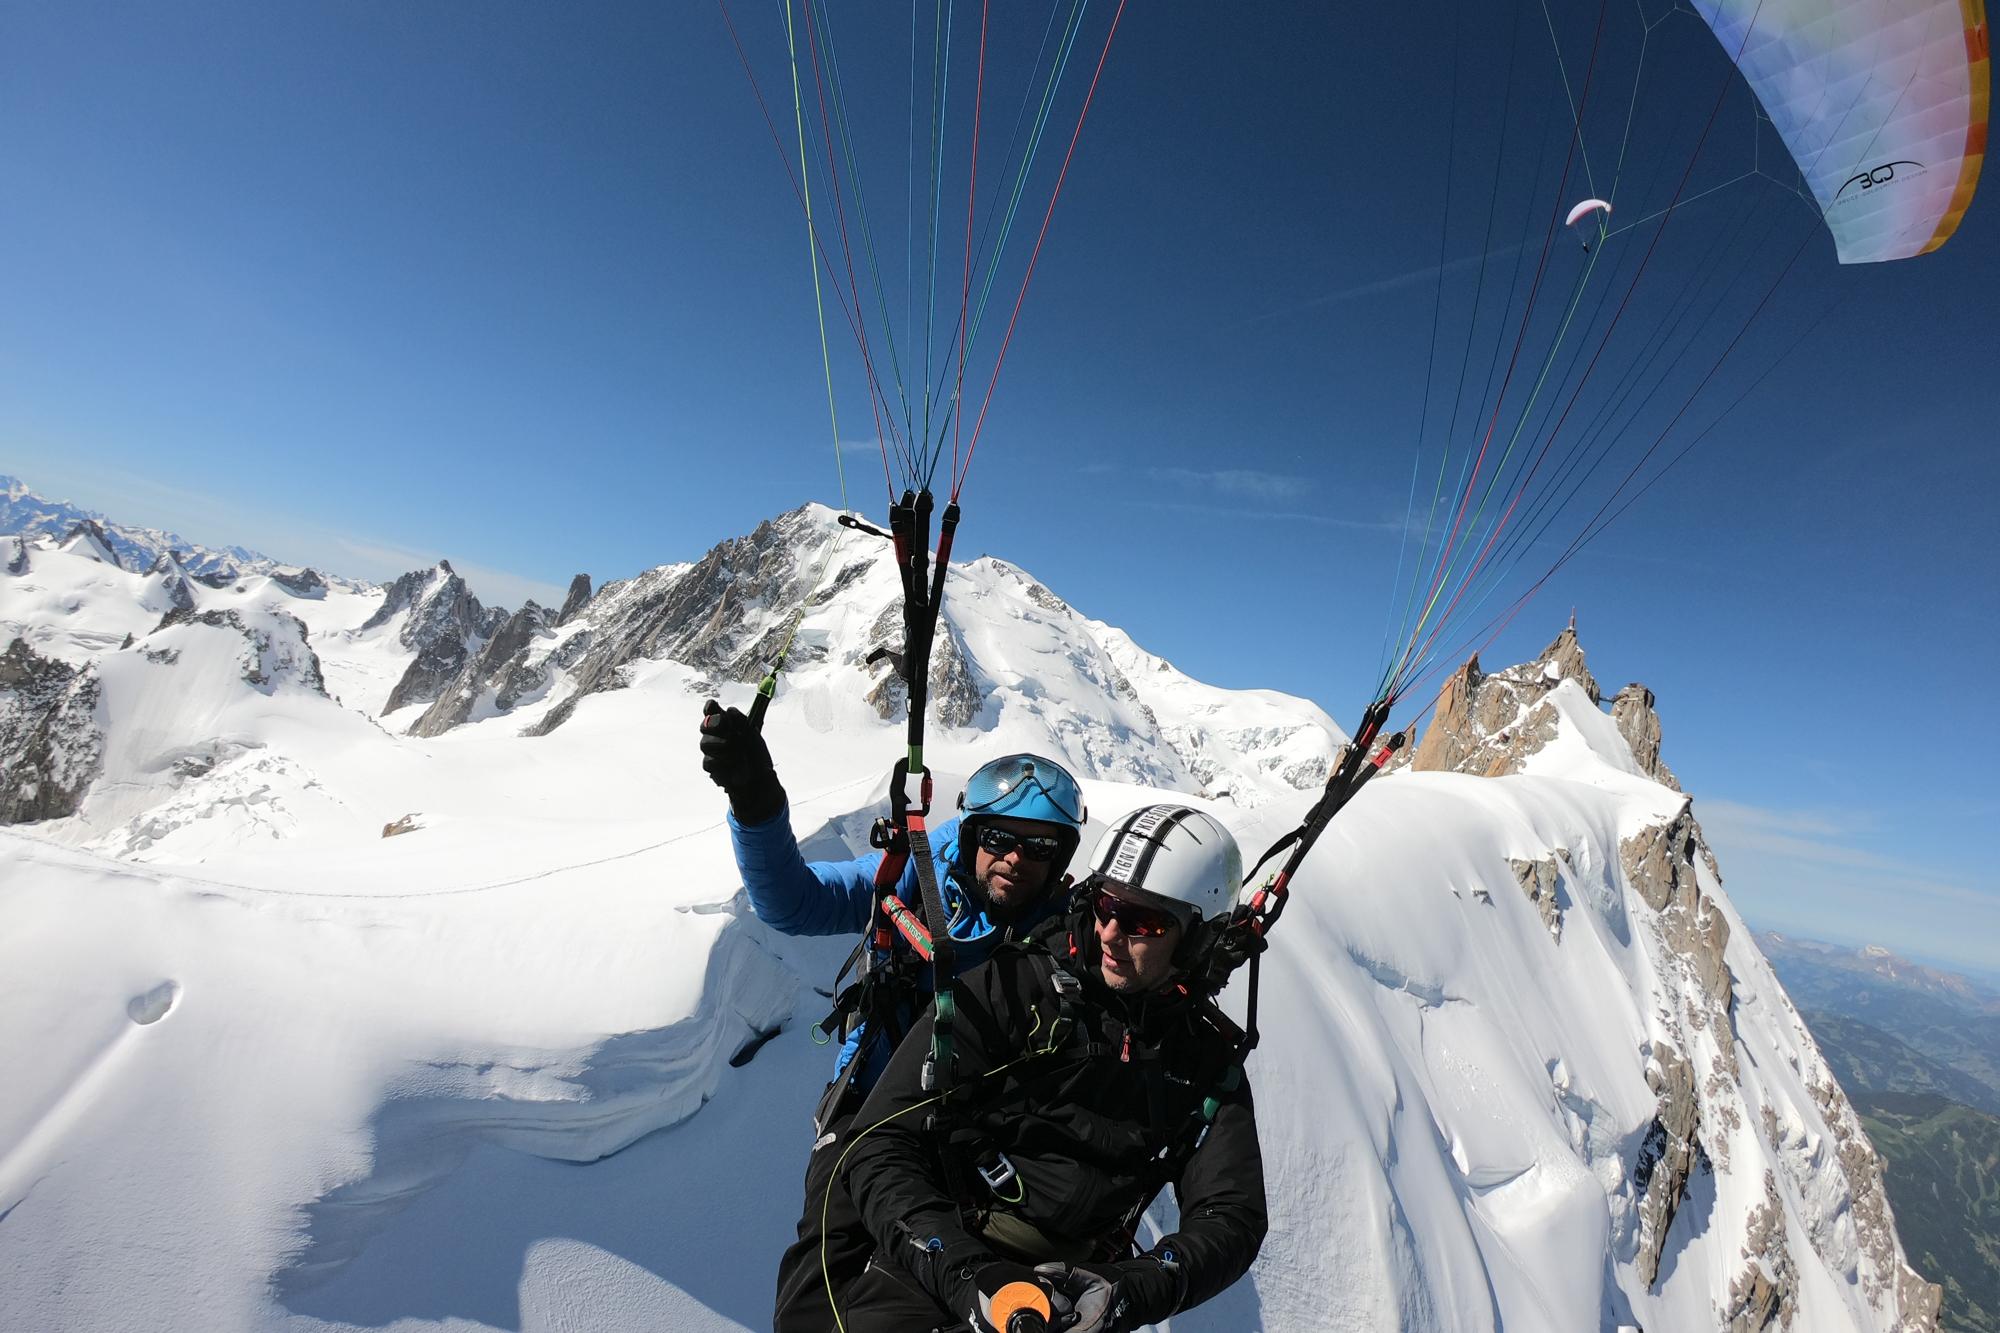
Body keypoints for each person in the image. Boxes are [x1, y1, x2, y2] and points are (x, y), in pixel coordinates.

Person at [698, 700, 1089, 1332]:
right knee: (819, 1292)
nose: (1016, 860)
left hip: (982, 1132)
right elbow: (795, 902)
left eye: (1039, 849)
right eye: (998, 839)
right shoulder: (916, 873)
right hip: (871, 1104)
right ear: (970, 834)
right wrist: (755, 801)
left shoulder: (1063, 928)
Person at [836, 804, 1268, 1333]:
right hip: (941, 1267)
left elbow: (1232, 1215)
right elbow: (879, 1141)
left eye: (1143, 921)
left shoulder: (1202, 1058)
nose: (1110, 932)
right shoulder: (1014, 989)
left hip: (1078, 1297)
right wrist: (966, 1275)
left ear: (1198, 938)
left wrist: (1131, 1290)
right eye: (1106, 905)